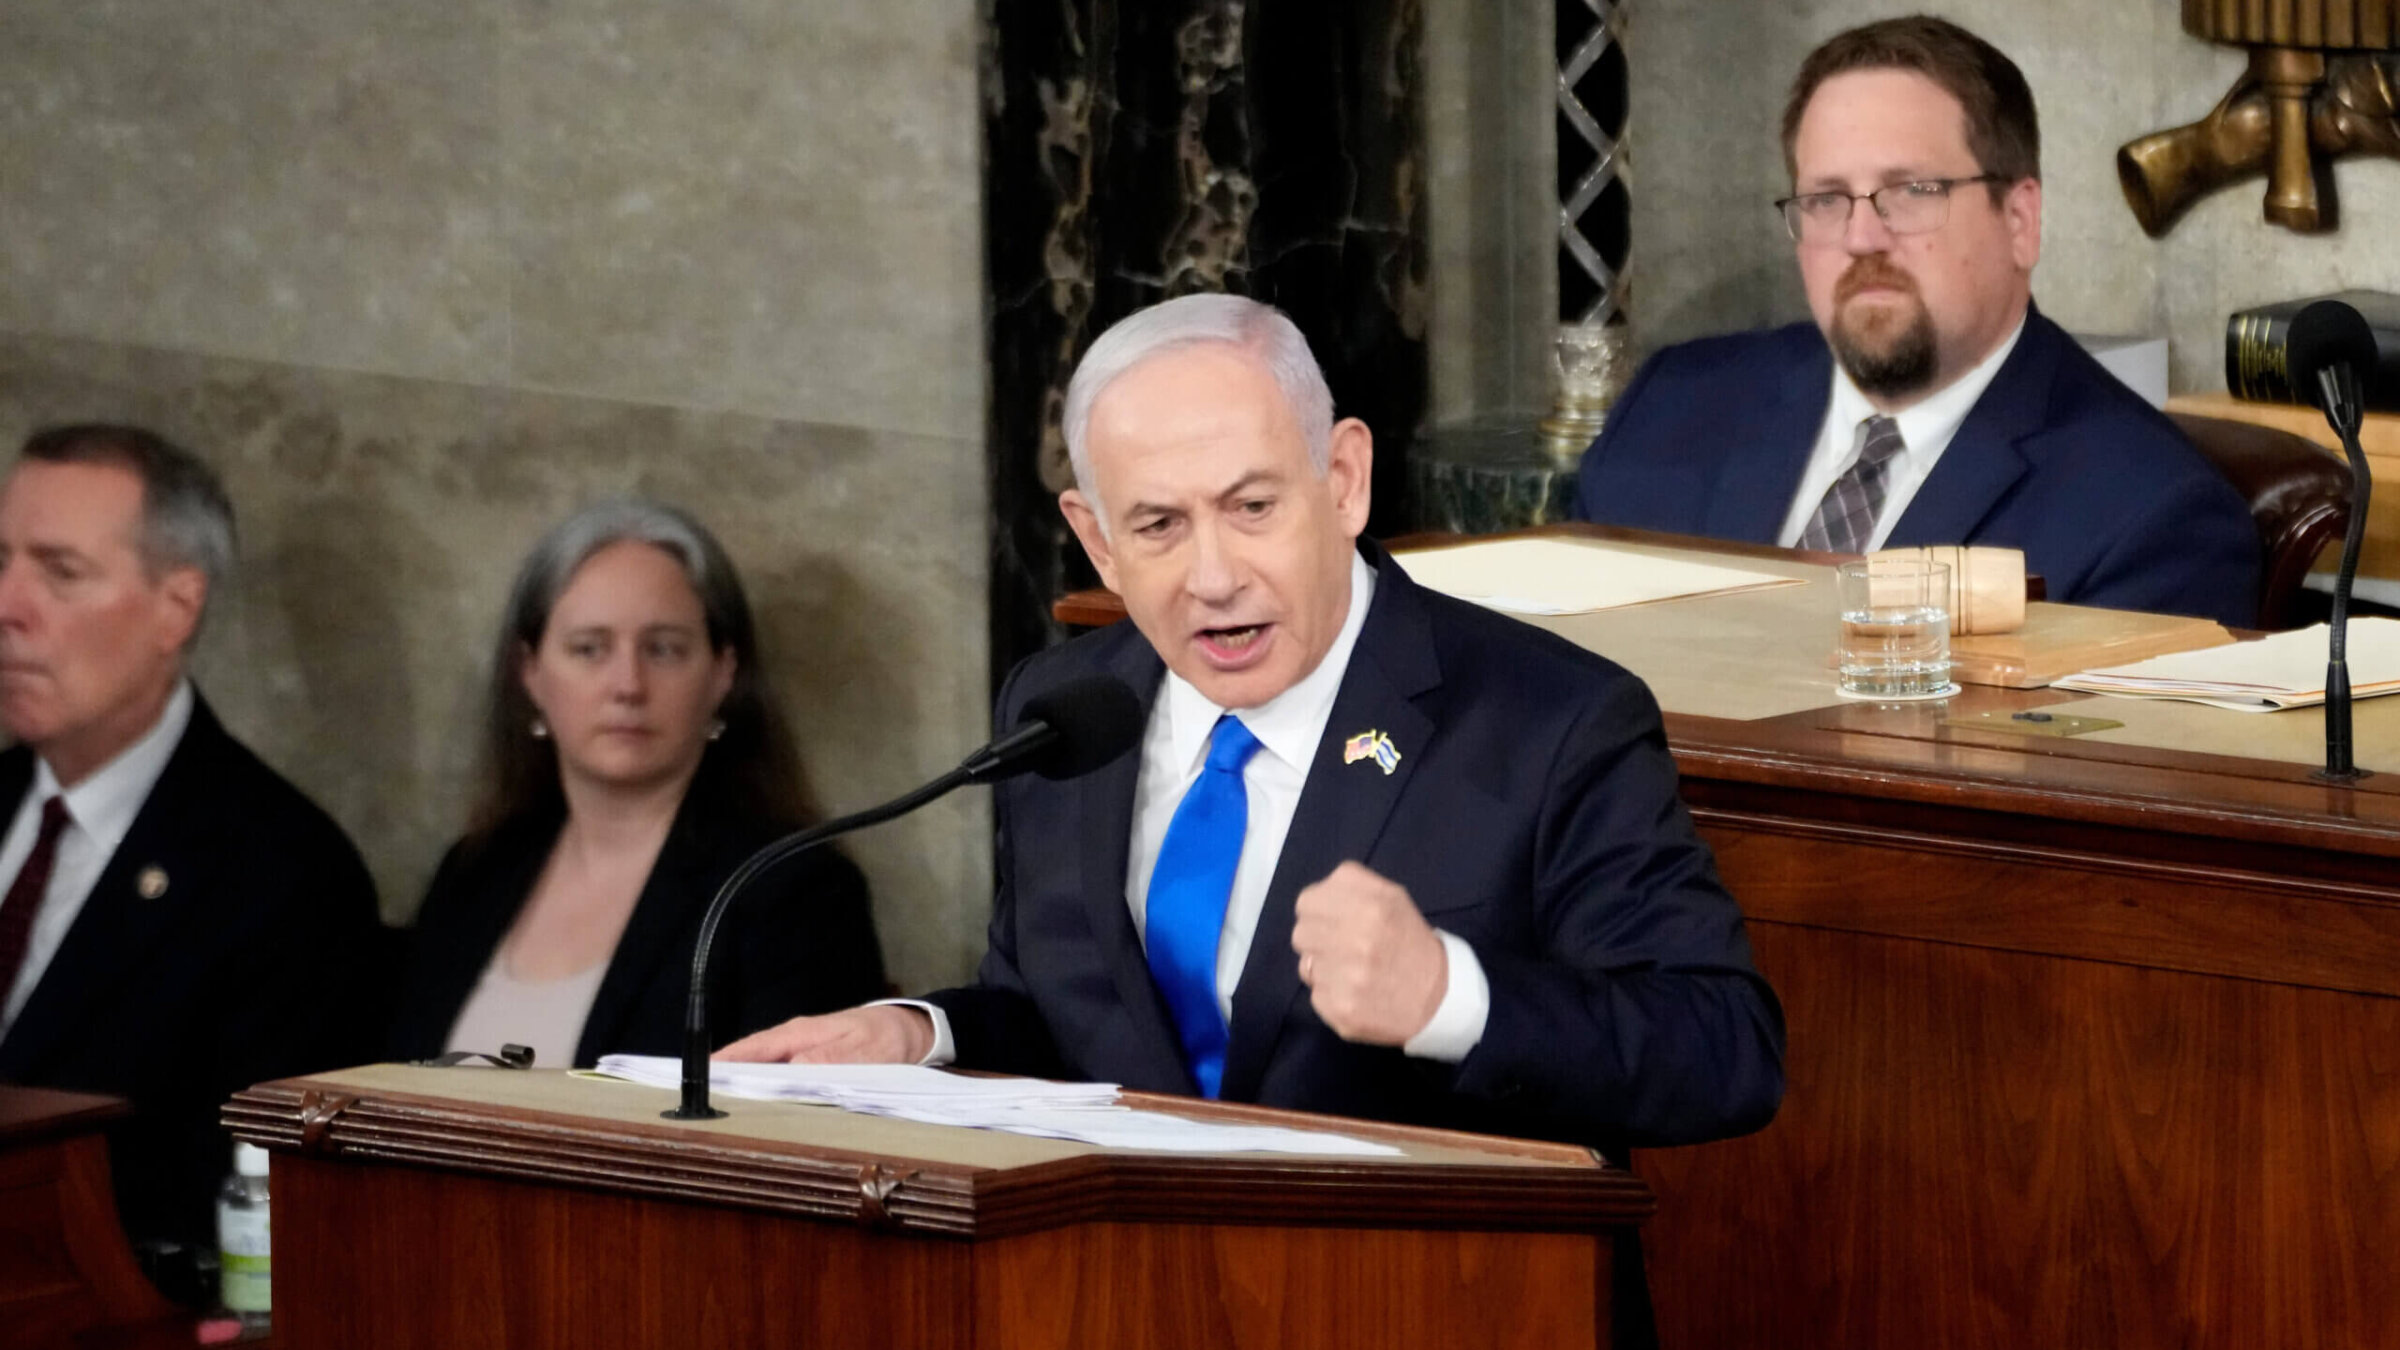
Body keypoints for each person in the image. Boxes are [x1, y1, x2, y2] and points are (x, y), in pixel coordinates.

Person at [723, 294, 1784, 1155]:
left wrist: (1451, 997)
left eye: (1253, 507)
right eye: (1159, 526)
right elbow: (1067, 1025)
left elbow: (1723, 1052)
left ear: (1344, 480)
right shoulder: (1064, 714)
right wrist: (925, 1036)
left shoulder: (1547, 719)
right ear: (1097, 543)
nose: (1214, 577)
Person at [1572, 15, 2260, 628]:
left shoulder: (2149, 517)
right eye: (1825, 199)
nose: (1862, 236)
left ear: (2020, 221)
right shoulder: (1672, 408)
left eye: (1910, 192)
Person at [0, 423, 383, 1268]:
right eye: (2, 562)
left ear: (177, 606)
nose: (8, 608)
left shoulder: (281, 877)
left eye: (60, 574)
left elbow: (240, 1207)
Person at [388, 500, 885, 1071]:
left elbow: (794, 1134)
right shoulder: (474, 872)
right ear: (531, 673)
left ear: (723, 672)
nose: (627, 684)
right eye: (590, 649)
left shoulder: (795, 892)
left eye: (664, 649)